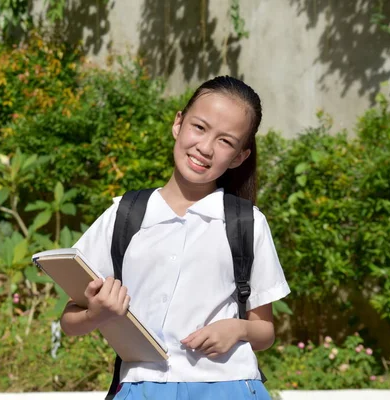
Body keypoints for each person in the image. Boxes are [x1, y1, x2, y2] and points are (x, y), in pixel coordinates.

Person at [60, 76, 290, 400]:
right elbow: (70, 321)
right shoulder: (124, 214)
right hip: (140, 388)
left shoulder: (248, 223)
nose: (206, 147)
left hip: (229, 387)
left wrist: (236, 329)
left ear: (239, 156)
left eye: (226, 141)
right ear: (178, 123)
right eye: (199, 127)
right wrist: (97, 314)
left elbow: (264, 331)